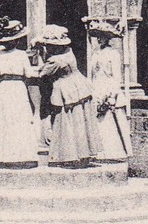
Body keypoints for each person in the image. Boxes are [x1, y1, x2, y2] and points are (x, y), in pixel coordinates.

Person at [36, 25, 102, 166]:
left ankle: (68, 155)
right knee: (80, 122)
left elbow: (41, 73)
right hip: (79, 86)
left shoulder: (55, 61)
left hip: (66, 89)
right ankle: (82, 154)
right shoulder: (68, 52)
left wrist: (39, 52)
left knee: (66, 122)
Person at [0, 18, 38, 166]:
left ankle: (3, 157)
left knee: (4, 121)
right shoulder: (21, 55)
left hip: (3, 89)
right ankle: (21, 156)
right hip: (17, 89)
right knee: (19, 120)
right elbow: (28, 73)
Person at [87, 21, 131, 162]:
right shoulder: (95, 54)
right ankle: (98, 153)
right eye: (97, 36)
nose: (99, 39)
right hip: (97, 88)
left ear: (108, 38)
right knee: (97, 122)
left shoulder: (113, 54)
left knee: (110, 122)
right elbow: (92, 75)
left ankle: (113, 153)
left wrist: (112, 95)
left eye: (102, 36)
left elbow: (116, 77)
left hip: (109, 87)